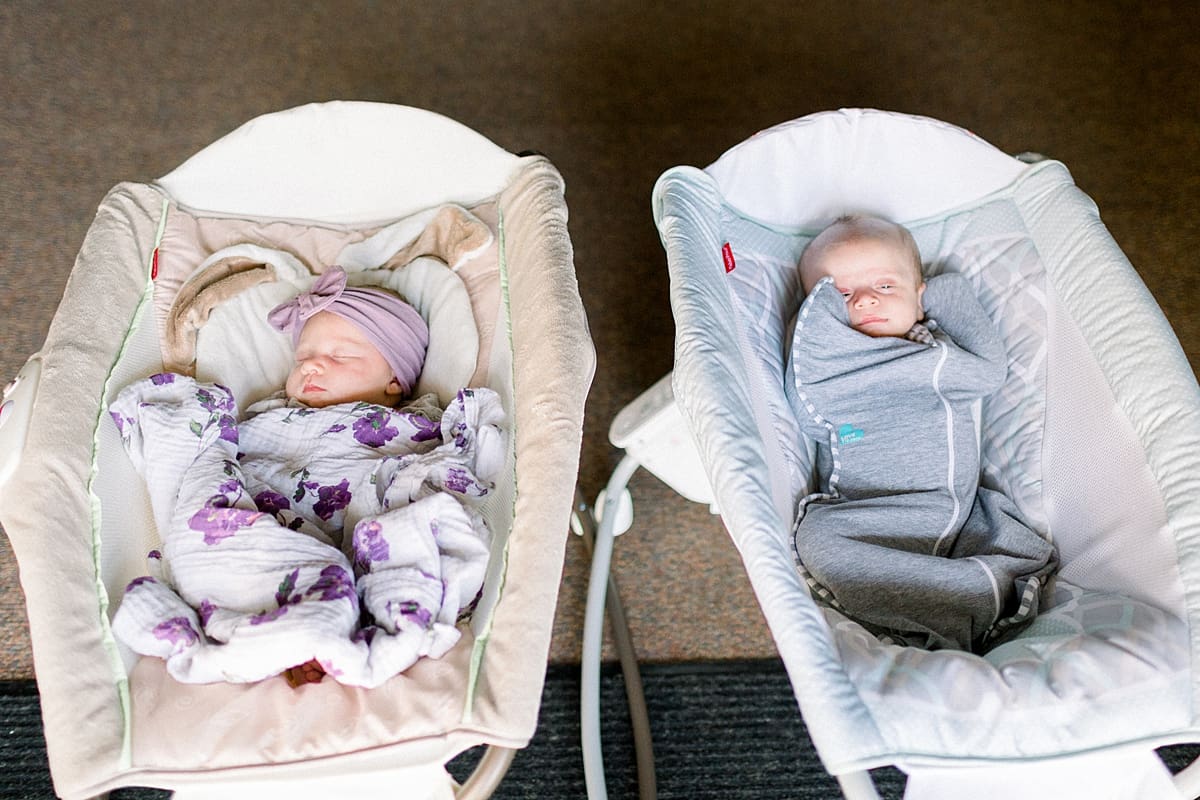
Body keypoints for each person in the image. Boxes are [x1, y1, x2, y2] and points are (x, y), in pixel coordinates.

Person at [108, 267, 504, 687]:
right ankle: (287, 627)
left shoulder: (411, 427)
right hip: (256, 529)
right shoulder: (267, 417)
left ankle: (309, 630)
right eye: (302, 358)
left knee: (410, 533)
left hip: (345, 547)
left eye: (340, 357)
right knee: (198, 443)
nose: (313, 365)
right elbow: (224, 460)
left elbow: (434, 474)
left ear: (394, 381)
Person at [787, 215, 1056, 652]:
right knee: (816, 538)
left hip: (952, 509)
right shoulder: (829, 365)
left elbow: (990, 371)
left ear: (919, 296)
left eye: (886, 287)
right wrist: (815, 336)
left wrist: (947, 294)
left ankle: (956, 598)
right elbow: (809, 415)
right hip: (866, 512)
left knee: (1007, 534)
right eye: (841, 294)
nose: (867, 301)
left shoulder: (941, 352)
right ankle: (938, 603)